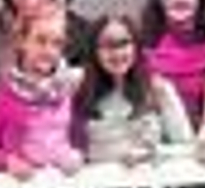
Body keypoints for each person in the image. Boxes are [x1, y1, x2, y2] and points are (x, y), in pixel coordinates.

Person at [73, 14, 192, 165]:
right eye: (107, 45)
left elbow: (188, 146)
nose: (117, 53)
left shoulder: (159, 89)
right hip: (97, 183)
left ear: (136, 46)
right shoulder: (79, 88)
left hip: (148, 183)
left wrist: (153, 152)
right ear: (94, 52)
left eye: (124, 43)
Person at [0, 7, 84, 178]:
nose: (49, 51)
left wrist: (75, 155)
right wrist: (7, 162)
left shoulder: (69, 89)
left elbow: (78, 140)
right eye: (40, 41)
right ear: (22, 41)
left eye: (57, 43)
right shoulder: (0, 95)